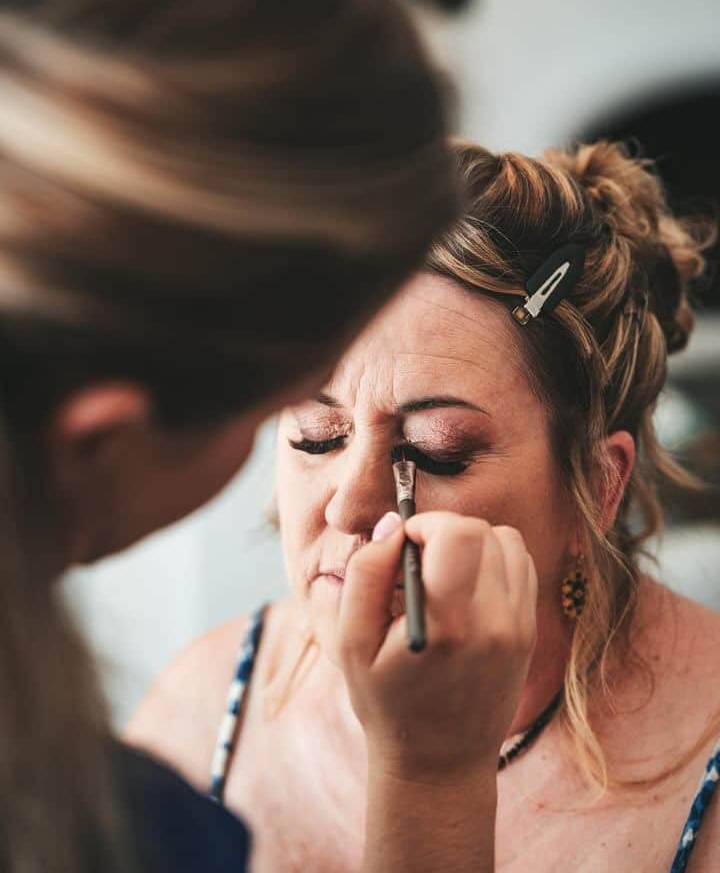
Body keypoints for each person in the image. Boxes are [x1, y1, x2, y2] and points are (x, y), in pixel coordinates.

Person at [0, 0, 484, 873]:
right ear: (98, 439)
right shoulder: (113, 832)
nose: (353, 504)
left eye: (439, 450)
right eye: (299, 421)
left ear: (607, 474)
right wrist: (436, 778)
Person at [130, 140, 720, 872]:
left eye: (437, 451)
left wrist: (431, 781)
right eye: (317, 435)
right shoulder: (203, 707)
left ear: (597, 486)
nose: (349, 506)